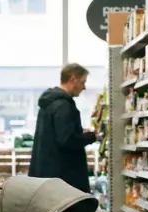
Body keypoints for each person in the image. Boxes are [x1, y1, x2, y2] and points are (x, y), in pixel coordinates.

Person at [30, 64, 98, 193]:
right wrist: (92, 136)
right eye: (82, 82)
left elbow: (56, 134)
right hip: (63, 177)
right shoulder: (63, 106)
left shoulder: (48, 103)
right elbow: (66, 140)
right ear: (73, 80)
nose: (84, 87)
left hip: (46, 173)